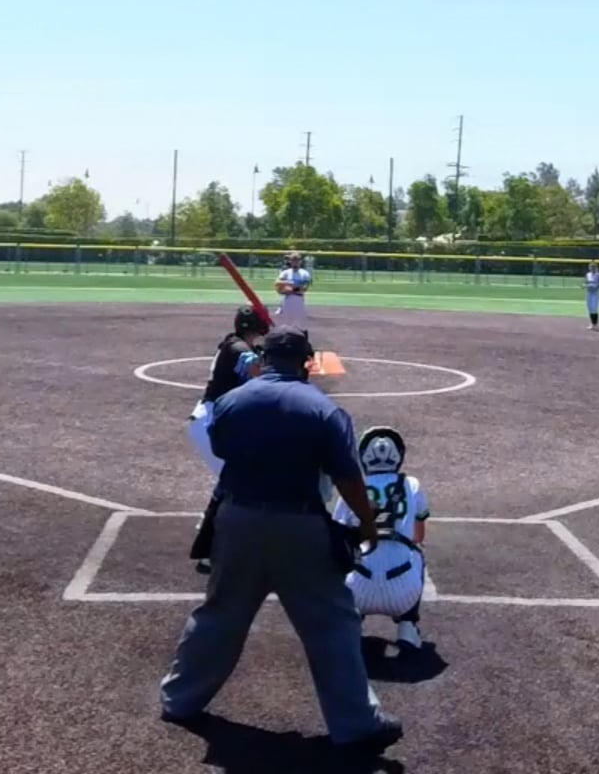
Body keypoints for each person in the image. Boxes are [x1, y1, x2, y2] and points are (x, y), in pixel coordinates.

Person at [161, 327, 402, 754]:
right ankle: (355, 724)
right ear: (306, 362)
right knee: (332, 624)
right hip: (300, 526)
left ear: (264, 359)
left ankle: (179, 699)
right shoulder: (325, 410)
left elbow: (222, 449)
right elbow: (347, 478)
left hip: (237, 521)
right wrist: (367, 525)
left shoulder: (231, 401)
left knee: (220, 614)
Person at [331, 425, 431, 652]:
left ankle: (352, 622)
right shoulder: (412, 485)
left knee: (343, 556)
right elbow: (419, 536)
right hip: (404, 595)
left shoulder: (353, 487)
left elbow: (338, 535)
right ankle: (408, 626)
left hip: (358, 592)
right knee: (417, 553)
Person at [186, 306, 270, 574]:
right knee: (235, 482)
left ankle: (210, 530)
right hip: (211, 423)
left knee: (234, 481)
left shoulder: (236, 345)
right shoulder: (237, 348)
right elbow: (255, 368)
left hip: (214, 422)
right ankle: (210, 552)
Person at [274, 251, 313, 336]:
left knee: (301, 323)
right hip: (288, 299)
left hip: (299, 299)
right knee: (287, 323)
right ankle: (287, 341)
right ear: (290, 261)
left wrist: (289, 288)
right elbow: (277, 283)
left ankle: (302, 341)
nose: (295, 262)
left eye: (297, 260)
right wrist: (290, 284)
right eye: (293, 260)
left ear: (300, 261)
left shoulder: (304, 273)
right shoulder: (286, 272)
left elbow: (304, 288)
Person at [584, 261, 599, 330]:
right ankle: (592, 324)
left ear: (596, 268)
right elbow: (586, 282)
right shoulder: (588, 274)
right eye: (591, 266)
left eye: (594, 267)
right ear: (589, 267)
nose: (592, 268)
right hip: (589, 293)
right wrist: (585, 285)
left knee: (594, 309)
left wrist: (596, 286)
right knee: (590, 309)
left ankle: (595, 325)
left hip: (596, 293)